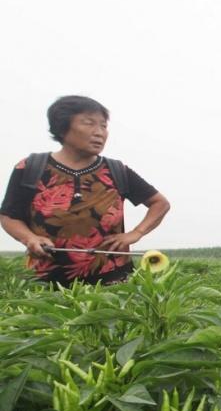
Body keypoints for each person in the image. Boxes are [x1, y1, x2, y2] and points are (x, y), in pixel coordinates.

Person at [0, 95, 170, 286]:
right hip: (45, 283)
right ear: (62, 128)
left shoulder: (116, 170)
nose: (99, 133)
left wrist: (137, 232)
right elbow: (9, 216)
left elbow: (160, 203)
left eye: (103, 126)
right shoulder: (31, 167)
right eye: (89, 123)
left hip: (112, 281)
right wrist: (29, 238)